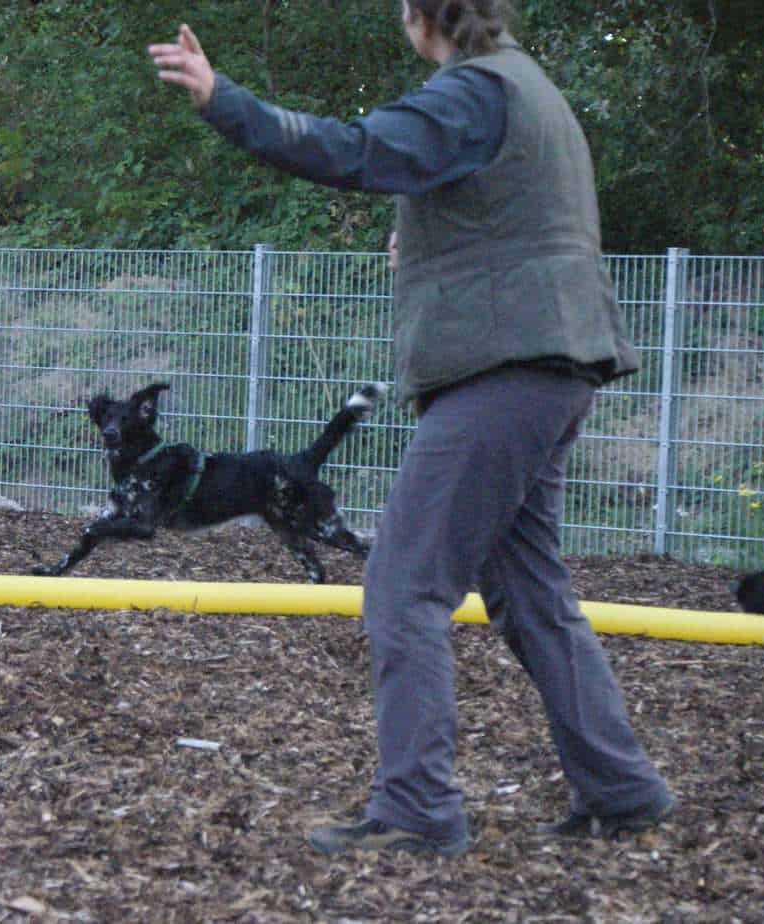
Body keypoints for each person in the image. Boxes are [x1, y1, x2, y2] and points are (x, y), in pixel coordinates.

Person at [149, 1, 675, 859]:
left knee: (403, 585)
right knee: (529, 589)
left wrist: (223, 98)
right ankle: (621, 789)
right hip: (551, 362)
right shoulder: (525, 87)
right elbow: (505, 219)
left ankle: (418, 811)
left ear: (417, 17)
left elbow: (354, 151)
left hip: (505, 372)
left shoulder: (471, 93)